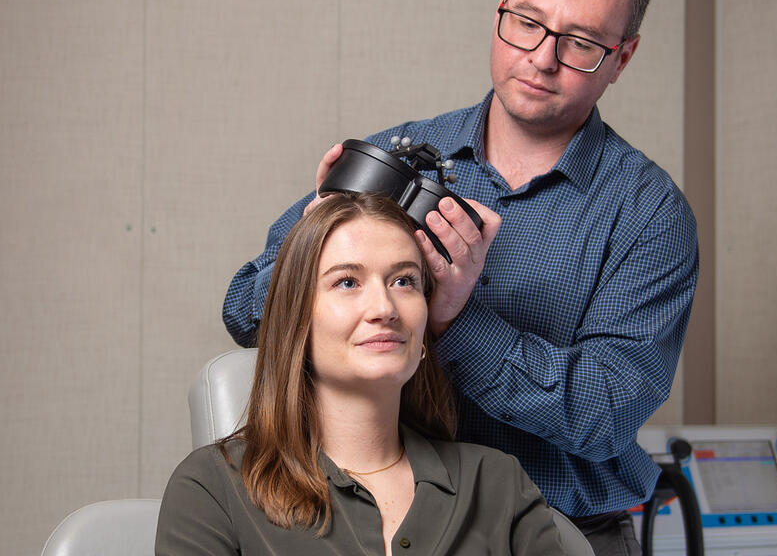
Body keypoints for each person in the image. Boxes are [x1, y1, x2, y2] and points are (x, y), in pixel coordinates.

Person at [220, 0, 698, 553]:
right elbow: (244, 312)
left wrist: (459, 320)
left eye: (580, 43)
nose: (541, 57)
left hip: (563, 529)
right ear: (501, 6)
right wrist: (317, 232)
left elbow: (606, 415)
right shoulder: (398, 163)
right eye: (527, 22)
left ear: (622, 57)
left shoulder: (648, 215)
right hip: (374, 522)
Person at [160, 193, 570, 555]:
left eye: (404, 281)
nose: (384, 307)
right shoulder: (213, 487)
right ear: (296, 319)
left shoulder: (498, 482)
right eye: (347, 282)